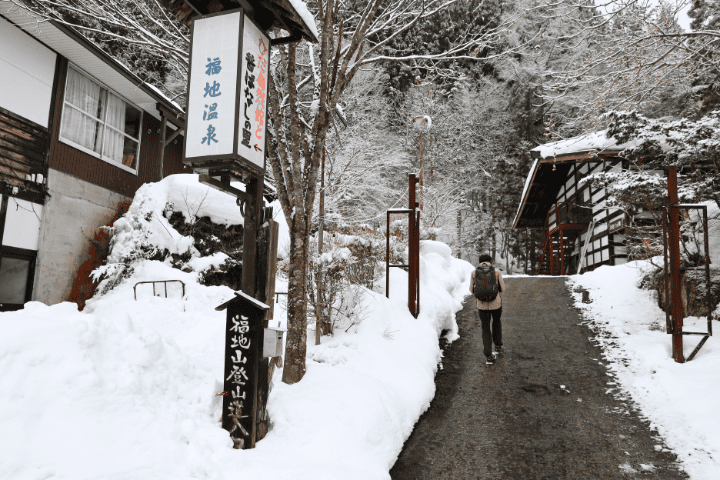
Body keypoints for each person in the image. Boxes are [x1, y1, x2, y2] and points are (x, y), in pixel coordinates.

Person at [469, 254, 506, 365]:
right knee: (496, 322)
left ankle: (489, 355)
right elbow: (503, 288)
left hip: (482, 305)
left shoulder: (474, 272)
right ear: (490, 261)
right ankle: (498, 345)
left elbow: (471, 290)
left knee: (485, 328)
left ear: (479, 262)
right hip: (496, 304)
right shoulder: (496, 272)